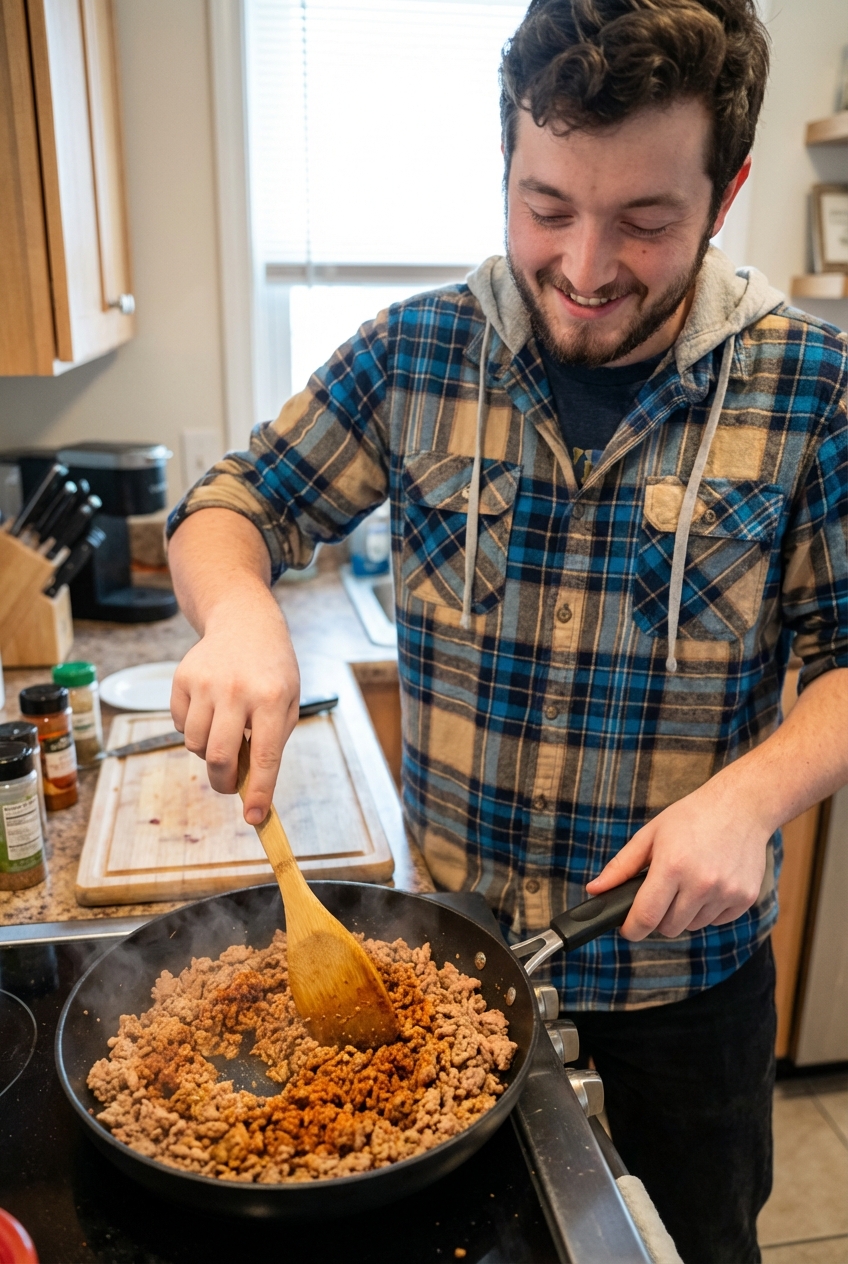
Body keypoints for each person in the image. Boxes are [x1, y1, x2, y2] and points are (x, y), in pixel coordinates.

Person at [166, 1, 848, 1259]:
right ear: (505, 166)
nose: (584, 267)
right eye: (544, 207)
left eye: (643, 219)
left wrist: (751, 799)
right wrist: (245, 609)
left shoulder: (809, 388)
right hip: (440, 980)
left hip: (683, 1003)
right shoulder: (417, 352)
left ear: (726, 188)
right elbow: (231, 503)